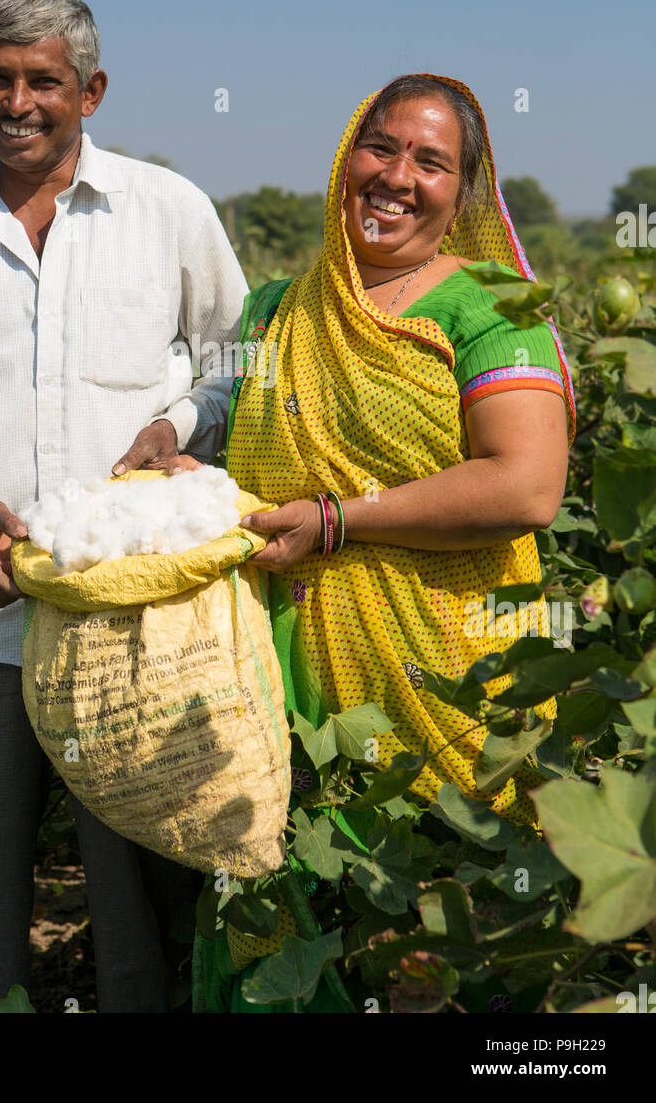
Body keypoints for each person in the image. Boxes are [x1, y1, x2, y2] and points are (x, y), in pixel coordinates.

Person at [0, 0, 248, 1012]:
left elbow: (237, 361)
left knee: (140, 912)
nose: (18, 101)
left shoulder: (165, 210)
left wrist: (180, 426)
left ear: (92, 90)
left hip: (138, 630)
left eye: (44, 80)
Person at [192, 73, 576, 1012]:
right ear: (344, 161)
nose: (397, 175)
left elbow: (526, 484)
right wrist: (173, 440)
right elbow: (219, 415)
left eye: (431, 161)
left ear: (466, 193)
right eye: (381, 147)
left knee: (429, 947)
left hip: (444, 688)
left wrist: (338, 519)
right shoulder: (275, 310)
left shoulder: (494, 308)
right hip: (279, 687)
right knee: (285, 932)